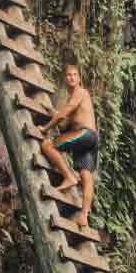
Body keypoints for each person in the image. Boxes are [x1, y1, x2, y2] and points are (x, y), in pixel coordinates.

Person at [38, 63, 100, 229]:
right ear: (65, 79)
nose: (71, 77)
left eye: (74, 75)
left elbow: (65, 112)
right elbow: (65, 123)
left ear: (79, 78)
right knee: (86, 176)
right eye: (68, 75)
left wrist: (45, 128)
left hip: (86, 134)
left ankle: (69, 177)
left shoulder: (80, 92)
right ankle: (84, 216)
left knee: (47, 145)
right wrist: (53, 113)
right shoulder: (76, 98)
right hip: (90, 139)